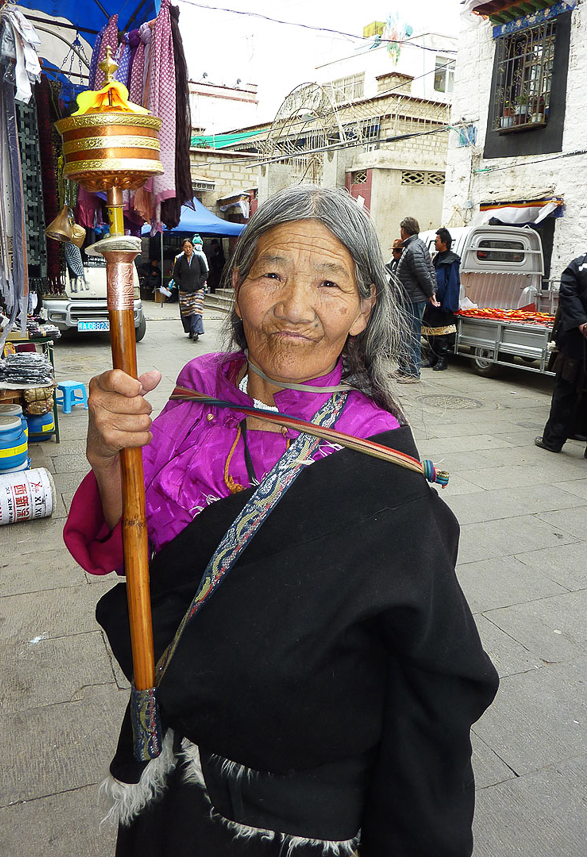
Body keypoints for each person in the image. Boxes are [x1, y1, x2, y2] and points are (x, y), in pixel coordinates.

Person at [64, 185, 498, 857]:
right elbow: (132, 548)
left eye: (329, 282)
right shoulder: (195, 390)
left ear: (363, 309)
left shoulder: (378, 461)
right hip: (171, 766)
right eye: (272, 274)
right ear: (236, 284)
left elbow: (432, 687)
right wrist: (105, 457)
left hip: (292, 819)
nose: (295, 308)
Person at [535, 251, 587, 456]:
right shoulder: (578, 266)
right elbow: (568, 292)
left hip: (575, 340)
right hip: (576, 341)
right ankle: (559, 438)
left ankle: (553, 440)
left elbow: (568, 293)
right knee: (567, 391)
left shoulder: (579, 265)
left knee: (565, 392)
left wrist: (582, 323)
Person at [394, 217, 437, 383]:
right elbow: (428, 271)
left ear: (404, 230)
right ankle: (405, 368)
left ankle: (412, 372)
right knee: (405, 335)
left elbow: (423, 273)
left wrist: (430, 293)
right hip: (409, 297)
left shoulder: (413, 248)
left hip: (412, 298)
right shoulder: (415, 246)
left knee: (411, 335)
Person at [421, 228, 461, 372]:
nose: (434, 244)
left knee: (442, 334)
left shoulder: (452, 260)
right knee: (431, 331)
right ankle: (432, 358)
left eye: (436, 241)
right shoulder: (436, 258)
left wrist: (449, 305)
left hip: (444, 303)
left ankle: (442, 359)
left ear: (444, 242)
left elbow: (453, 284)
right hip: (433, 302)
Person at [172, 238, 207, 342]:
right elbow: (175, 274)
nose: (187, 249)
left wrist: (199, 282)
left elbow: (205, 273)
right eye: (185, 247)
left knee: (196, 310)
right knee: (186, 311)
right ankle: (191, 330)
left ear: (193, 247)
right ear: (182, 248)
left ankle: (197, 331)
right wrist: (181, 283)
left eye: (189, 247)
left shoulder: (199, 258)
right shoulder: (179, 260)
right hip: (184, 289)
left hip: (197, 289)